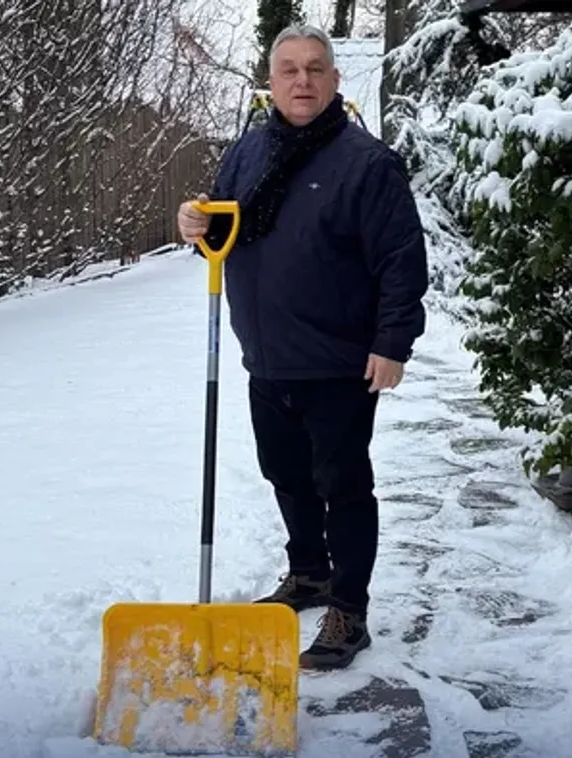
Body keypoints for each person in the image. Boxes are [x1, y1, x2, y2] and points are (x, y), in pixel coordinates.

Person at [176, 23, 428, 671]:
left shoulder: (367, 163)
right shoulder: (248, 150)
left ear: (335, 80)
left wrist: (392, 342)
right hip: (266, 355)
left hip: (340, 360)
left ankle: (349, 606)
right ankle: (309, 573)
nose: (302, 81)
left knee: (341, 485)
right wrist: (193, 224)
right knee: (285, 475)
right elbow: (223, 227)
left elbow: (401, 259)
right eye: (288, 69)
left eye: (315, 69)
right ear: (270, 79)